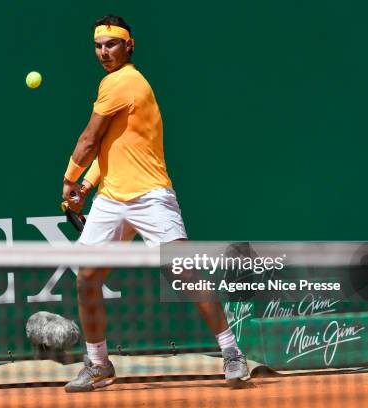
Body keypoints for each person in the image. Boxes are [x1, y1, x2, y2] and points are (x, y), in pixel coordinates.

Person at [61, 15, 249, 393]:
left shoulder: (123, 81)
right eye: (98, 46)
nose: (104, 52)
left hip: (150, 195)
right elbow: (112, 147)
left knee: (183, 274)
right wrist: (88, 184)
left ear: (129, 46)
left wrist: (68, 180)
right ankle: (99, 365)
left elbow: (89, 139)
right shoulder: (118, 85)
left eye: (111, 45)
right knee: (86, 280)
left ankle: (231, 353)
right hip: (112, 198)